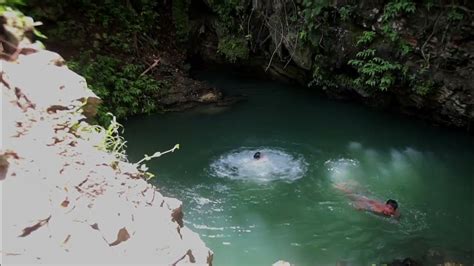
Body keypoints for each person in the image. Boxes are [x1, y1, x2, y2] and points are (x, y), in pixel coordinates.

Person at [334, 183, 400, 219]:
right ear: (385, 205)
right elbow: (368, 205)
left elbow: (397, 213)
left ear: (393, 210)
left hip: (369, 199)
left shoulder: (393, 212)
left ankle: (344, 185)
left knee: (353, 193)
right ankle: (337, 186)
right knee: (349, 195)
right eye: (387, 207)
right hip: (365, 200)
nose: (388, 210)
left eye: (390, 209)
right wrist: (359, 207)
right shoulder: (378, 210)